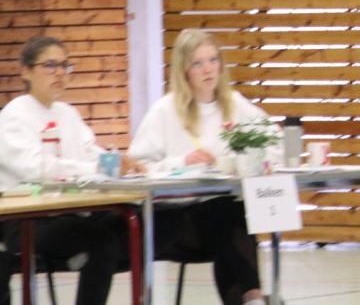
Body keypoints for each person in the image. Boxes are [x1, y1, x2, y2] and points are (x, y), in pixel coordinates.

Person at [129, 29, 276, 305]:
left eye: (213, 60)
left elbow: (272, 139)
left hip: (221, 217)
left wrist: (252, 159)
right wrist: (182, 162)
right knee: (228, 218)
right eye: (198, 63)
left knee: (230, 217)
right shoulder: (164, 111)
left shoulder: (234, 104)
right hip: (175, 219)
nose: (208, 69)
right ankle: (255, 298)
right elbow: (138, 166)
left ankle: (252, 299)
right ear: (184, 70)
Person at [0, 35, 142, 305]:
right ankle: (80, 256)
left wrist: (118, 162)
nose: (59, 73)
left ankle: (82, 258)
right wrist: (93, 167)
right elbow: (36, 169)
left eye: (65, 65)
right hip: (27, 221)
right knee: (101, 242)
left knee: (140, 224)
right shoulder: (14, 115)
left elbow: (92, 152)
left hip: (70, 213)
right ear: (26, 71)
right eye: (50, 65)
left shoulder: (67, 113)